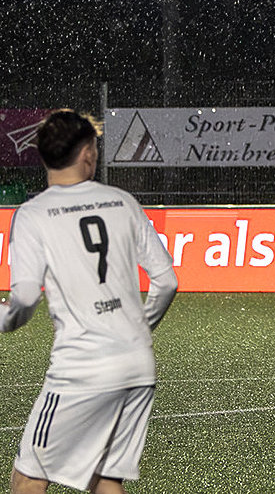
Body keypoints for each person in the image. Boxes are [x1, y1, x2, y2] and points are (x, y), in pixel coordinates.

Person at [2, 110, 178, 494]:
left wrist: (5, 319)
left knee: (28, 477)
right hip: (137, 364)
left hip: (82, 367)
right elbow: (166, 281)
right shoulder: (122, 201)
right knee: (105, 478)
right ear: (86, 153)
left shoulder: (33, 214)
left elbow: (25, 297)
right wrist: (136, 327)